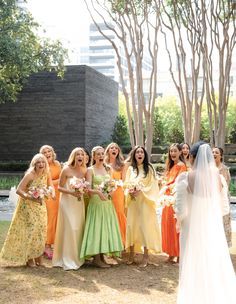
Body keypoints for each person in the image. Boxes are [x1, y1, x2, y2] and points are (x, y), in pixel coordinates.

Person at [175, 142, 236, 304]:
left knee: (193, 261)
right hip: (212, 227)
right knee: (213, 260)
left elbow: (180, 210)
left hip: (191, 227)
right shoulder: (219, 178)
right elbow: (224, 208)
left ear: (192, 157)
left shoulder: (185, 177)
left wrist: (180, 221)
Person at [0, 154, 54, 267]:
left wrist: (49, 192)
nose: (41, 164)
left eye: (43, 162)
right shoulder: (30, 175)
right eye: (38, 162)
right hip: (27, 205)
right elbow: (19, 190)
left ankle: (38, 258)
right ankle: (29, 259)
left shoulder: (46, 173)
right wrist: (30, 197)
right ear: (34, 164)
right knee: (31, 231)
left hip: (40, 206)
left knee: (40, 231)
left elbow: (50, 187)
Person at [80, 146, 123, 268]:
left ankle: (103, 257)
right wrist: (99, 192)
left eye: (102, 154)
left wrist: (110, 191)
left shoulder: (108, 169)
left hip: (107, 202)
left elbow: (111, 184)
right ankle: (96, 259)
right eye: (97, 154)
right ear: (93, 156)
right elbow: (88, 189)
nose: (100, 156)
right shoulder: (90, 170)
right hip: (96, 202)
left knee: (105, 228)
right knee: (97, 228)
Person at [124, 146, 161, 267]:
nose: (139, 154)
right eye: (137, 152)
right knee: (132, 226)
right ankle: (131, 254)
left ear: (144, 155)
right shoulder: (130, 169)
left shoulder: (149, 169)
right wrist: (130, 191)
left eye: (141, 152)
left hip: (145, 202)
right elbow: (126, 184)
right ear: (134, 155)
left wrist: (141, 191)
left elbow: (153, 185)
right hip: (133, 202)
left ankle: (146, 256)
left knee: (144, 227)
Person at [52, 147, 86, 270]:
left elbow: (86, 186)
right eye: (78, 154)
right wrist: (71, 193)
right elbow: (60, 188)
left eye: (82, 154)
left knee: (78, 228)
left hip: (78, 202)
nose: (80, 156)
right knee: (70, 228)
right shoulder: (66, 169)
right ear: (73, 156)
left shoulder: (84, 170)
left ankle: (78, 257)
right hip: (67, 202)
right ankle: (66, 258)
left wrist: (83, 190)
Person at [161, 143, 187, 263]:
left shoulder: (182, 166)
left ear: (180, 152)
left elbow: (179, 183)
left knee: (176, 226)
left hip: (176, 198)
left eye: (175, 151)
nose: (172, 153)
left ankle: (179, 254)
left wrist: (168, 187)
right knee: (168, 225)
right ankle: (171, 253)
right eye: (171, 151)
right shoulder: (171, 166)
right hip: (167, 199)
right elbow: (168, 181)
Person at [40, 145, 62, 259]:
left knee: (58, 218)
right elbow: (46, 183)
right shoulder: (42, 166)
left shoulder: (57, 164)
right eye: (44, 152)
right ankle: (47, 245)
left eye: (49, 151)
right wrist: (59, 180)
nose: (47, 153)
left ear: (53, 153)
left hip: (60, 195)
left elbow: (64, 178)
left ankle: (55, 244)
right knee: (51, 219)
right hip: (49, 195)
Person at [104, 142, 127, 245]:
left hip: (118, 193)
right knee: (107, 215)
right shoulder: (103, 165)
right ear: (108, 151)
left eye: (116, 148)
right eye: (111, 148)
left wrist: (116, 184)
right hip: (106, 193)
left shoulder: (122, 165)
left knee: (119, 214)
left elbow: (124, 180)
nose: (114, 150)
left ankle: (121, 241)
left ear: (118, 151)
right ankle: (108, 241)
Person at [212, 146, 232, 247]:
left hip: (221, 199)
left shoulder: (224, 169)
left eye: (216, 152)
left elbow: (226, 185)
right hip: (211, 199)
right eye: (212, 152)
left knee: (223, 221)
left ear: (221, 156)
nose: (214, 154)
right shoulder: (209, 168)